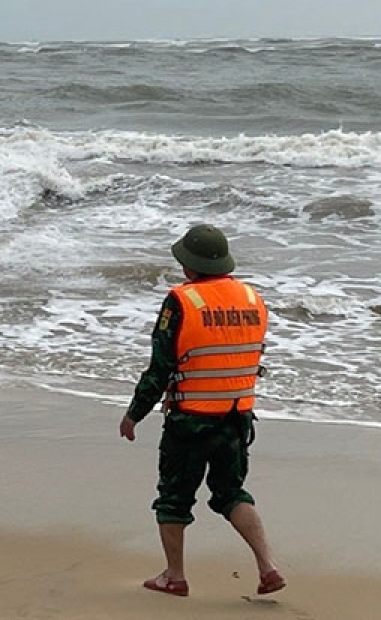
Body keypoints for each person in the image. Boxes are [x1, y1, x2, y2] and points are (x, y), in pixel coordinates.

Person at [119, 224, 285, 598]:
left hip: (190, 420)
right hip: (237, 418)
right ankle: (268, 566)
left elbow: (160, 367)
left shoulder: (181, 301)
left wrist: (135, 413)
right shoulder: (251, 297)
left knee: (173, 499)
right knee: (231, 493)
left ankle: (174, 577)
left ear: (190, 265)